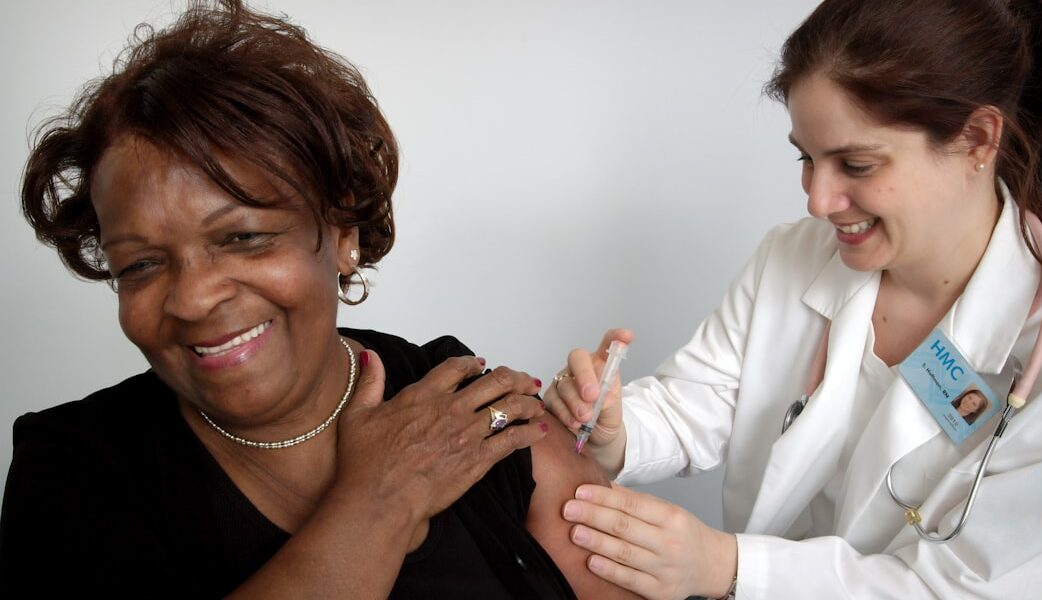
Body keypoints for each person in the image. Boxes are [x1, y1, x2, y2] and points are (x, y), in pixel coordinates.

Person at [0, 2, 639, 598]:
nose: (193, 299)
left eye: (243, 237)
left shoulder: (464, 405)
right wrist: (382, 499)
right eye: (140, 263)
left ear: (343, 236)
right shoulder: (75, 472)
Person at [545, 0, 1042, 597]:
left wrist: (730, 567)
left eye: (855, 163)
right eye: (807, 158)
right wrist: (617, 432)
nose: (818, 201)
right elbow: (695, 404)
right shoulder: (793, 258)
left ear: (978, 139)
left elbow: (966, 586)